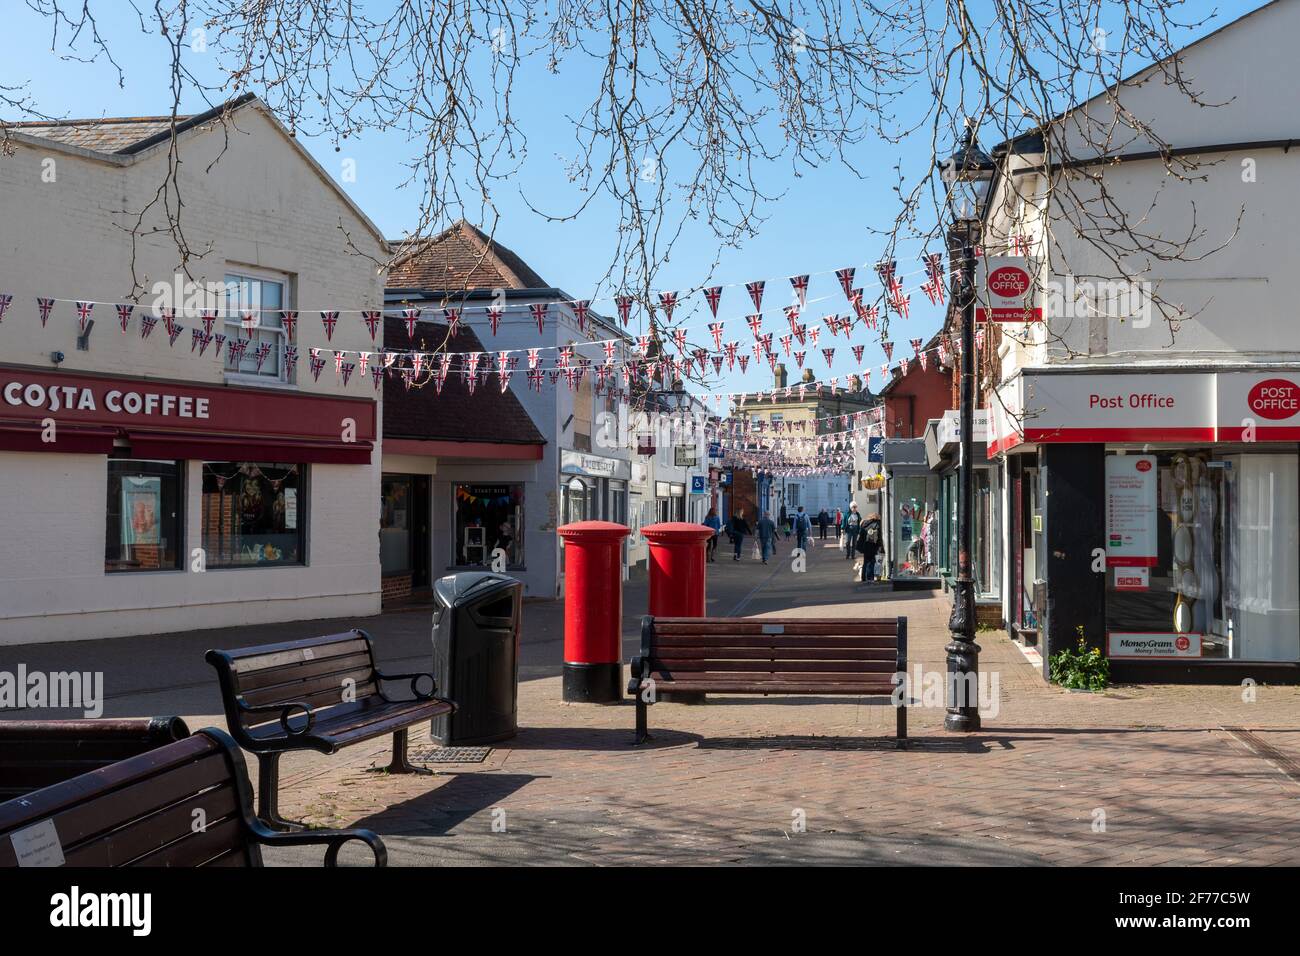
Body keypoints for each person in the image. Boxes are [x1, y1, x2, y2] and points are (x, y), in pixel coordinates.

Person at [856, 512, 883, 582]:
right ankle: (870, 578)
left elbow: (861, 535)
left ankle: (863, 578)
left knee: (865, 562)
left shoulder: (865, 523)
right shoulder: (877, 524)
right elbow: (879, 536)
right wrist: (880, 545)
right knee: (871, 562)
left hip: (865, 545)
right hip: (873, 545)